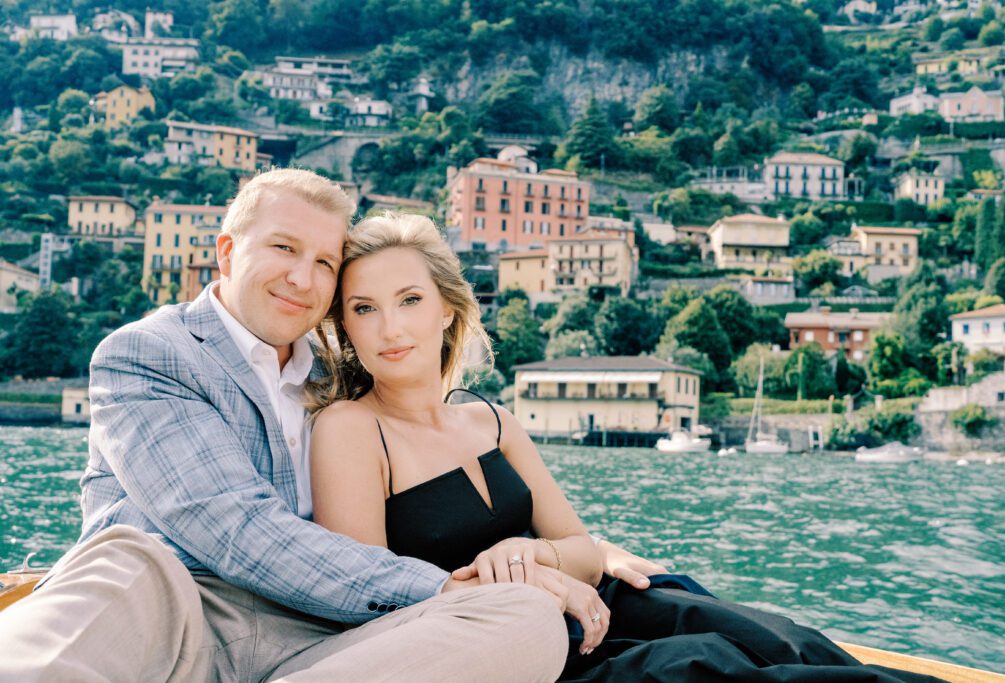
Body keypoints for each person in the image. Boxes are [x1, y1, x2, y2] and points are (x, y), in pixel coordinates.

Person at [307, 212, 945, 683]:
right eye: (364, 309)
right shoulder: (351, 429)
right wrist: (521, 583)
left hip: (596, 603)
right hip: (509, 646)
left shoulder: (492, 419)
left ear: (447, 310)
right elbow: (369, 600)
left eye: (410, 300)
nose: (390, 328)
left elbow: (583, 551)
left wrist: (532, 551)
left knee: (774, 636)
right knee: (709, 666)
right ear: (345, 328)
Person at [0, 169, 569, 683]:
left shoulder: (337, 376)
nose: (303, 277)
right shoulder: (150, 353)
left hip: (312, 634)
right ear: (227, 252)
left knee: (526, 618)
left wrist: (581, 555)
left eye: (325, 262)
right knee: (127, 559)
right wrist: (443, 587)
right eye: (283, 248)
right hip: (172, 606)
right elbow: (234, 528)